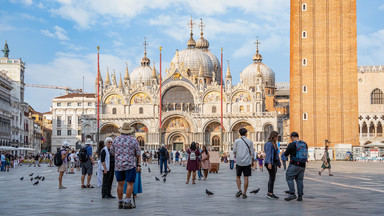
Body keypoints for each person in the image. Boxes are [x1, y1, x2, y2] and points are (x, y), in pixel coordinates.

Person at [110, 123, 141, 209]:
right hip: (130, 165)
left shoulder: (116, 139)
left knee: (120, 184)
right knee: (129, 184)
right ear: (129, 132)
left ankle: (120, 202)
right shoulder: (133, 140)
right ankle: (127, 202)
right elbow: (138, 153)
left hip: (118, 165)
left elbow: (112, 152)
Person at [284, 132, 308, 201]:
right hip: (303, 165)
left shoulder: (292, 144)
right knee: (299, 180)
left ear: (292, 137)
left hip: (294, 164)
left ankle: (292, 194)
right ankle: (300, 196)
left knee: (289, 177)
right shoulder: (304, 144)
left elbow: (286, 154)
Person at [233, 128, 254, 199]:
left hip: (239, 162)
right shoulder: (250, 141)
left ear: (239, 134)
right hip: (247, 162)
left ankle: (239, 190)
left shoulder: (236, 141)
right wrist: (252, 161)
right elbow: (252, 153)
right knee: (246, 177)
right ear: (246, 133)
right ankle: (244, 193)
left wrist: (237, 155)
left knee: (238, 176)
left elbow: (234, 151)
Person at [264, 131, 281, 200]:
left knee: (272, 178)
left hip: (274, 163)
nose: (277, 138)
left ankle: (270, 192)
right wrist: (269, 163)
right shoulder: (269, 144)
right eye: (276, 136)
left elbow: (276, 155)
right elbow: (268, 154)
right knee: (272, 178)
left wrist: (279, 163)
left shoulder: (274, 144)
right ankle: (270, 193)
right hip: (270, 163)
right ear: (273, 136)